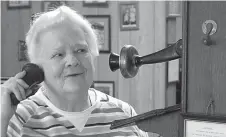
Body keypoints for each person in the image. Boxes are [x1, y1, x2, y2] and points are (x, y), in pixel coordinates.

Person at [1, 6, 149, 137]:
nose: (72, 61)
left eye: (81, 50)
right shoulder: (18, 118)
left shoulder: (124, 113)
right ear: (36, 69)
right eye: (58, 54)